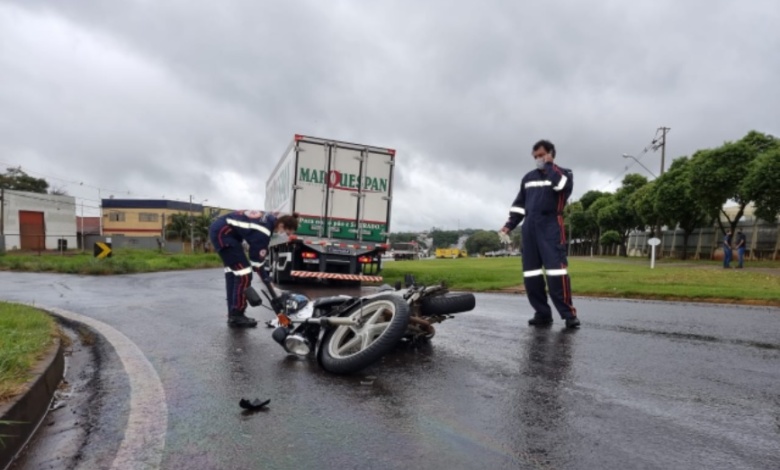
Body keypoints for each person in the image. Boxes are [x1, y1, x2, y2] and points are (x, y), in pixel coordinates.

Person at [501, 139, 580, 329]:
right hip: (529, 229)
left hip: (551, 226)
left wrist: (550, 165)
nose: (538, 159)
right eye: (535, 156)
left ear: (551, 154)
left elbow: (561, 186)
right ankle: (542, 313)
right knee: (531, 275)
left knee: (556, 272)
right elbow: (519, 206)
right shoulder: (528, 178)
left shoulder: (563, 174)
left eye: (542, 155)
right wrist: (508, 226)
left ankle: (568, 314)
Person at [209, 210, 298, 327]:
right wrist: (270, 285)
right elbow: (257, 263)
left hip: (223, 231)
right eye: (286, 233)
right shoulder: (264, 231)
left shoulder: (271, 218)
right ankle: (237, 315)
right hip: (224, 234)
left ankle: (233, 312)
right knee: (244, 274)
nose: (285, 235)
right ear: (281, 225)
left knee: (233, 273)